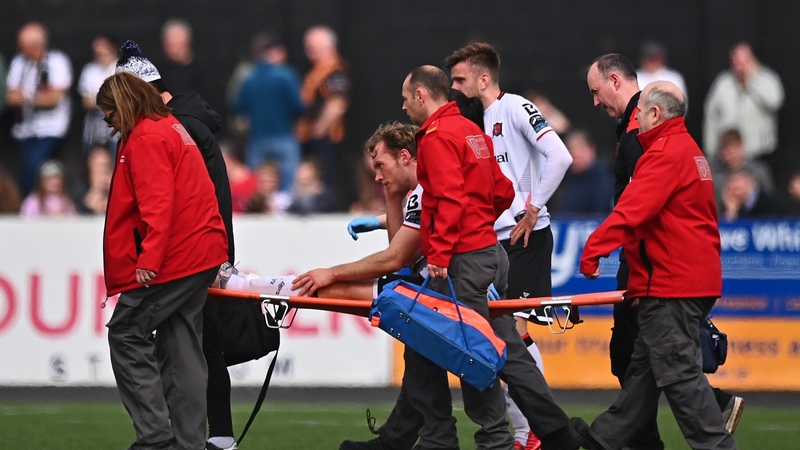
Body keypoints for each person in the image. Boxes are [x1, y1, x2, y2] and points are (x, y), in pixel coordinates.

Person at [586, 54, 743, 448]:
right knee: (642, 373)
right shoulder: (688, 149)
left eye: (640, 115)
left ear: (655, 113)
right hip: (685, 279)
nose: (635, 122)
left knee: (678, 377)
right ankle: (600, 440)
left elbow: (632, 211)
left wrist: (593, 250)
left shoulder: (664, 154)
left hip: (672, 284)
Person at [445, 42, 574, 450]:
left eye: (460, 79)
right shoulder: (476, 120)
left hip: (524, 237)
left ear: (484, 78)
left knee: (509, 338)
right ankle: (529, 430)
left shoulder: (515, 107)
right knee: (502, 339)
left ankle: (531, 431)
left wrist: (534, 208)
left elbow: (560, 156)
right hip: (493, 244)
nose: (454, 86)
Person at [114, 41, 238, 450]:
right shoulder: (182, 126)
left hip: (176, 256)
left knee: (131, 332)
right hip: (204, 249)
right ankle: (199, 441)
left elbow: (164, 205)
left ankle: (159, 438)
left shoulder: (153, 133)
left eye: (113, 109)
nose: (111, 122)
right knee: (188, 346)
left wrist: (147, 258)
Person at [5, 22, 72, 196]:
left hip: (51, 128)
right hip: (25, 129)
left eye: (24, 46)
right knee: (27, 166)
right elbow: (11, 96)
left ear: (37, 45)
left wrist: (26, 97)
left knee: (36, 167)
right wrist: (37, 98)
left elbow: (54, 98)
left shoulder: (57, 61)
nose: (21, 49)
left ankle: (27, 203)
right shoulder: (19, 62)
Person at [232, 33, 304, 191]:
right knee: (288, 182)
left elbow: (237, 107)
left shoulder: (248, 78)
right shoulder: (286, 75)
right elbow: (298, 106)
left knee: (255, 184)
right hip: (284, 135)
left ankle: (257, 208)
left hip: (257, 138)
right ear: (274, 52)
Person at [703, 42, 784, 161]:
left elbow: (774, 103)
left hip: (759, 152)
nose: (739, 65)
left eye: (744, 60)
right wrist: (710, 149)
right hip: (727, 154)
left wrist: (752, 81)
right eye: (736, 60)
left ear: (753, 60)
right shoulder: (723, 82)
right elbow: (711, 116)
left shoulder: (767, 79)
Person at [297, 25, 350, 195]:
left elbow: (338, 103)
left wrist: (320, 128)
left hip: (327, 136)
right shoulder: (315, 72)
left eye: (313, 48)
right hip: (309, 136)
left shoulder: (335, 72)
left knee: (326, 175)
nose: (309, 53)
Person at [555, 130, 613, 215]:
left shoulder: (602, 177)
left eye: (580, 149)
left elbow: (601, 212)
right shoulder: (566, 176)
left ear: (592, 149)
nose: (576, 154)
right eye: (571, 151)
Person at [78, 35, 119, 151]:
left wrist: (97, 99)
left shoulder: (123, 69)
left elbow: (124, 101)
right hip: (93, 132)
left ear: (112, 48)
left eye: (102, 46)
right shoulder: (89, 70)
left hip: (117, 132)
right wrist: (109, 100)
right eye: (96, 47)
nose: (98, 50)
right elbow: (85, 102)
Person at [159, 19, 202, 95]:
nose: (175, 51)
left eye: (179, 45)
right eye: (171, 45)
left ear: (188, 45)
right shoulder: (158, 73)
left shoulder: (200, 73)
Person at [72, 145, 112, 215]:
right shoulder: (80, 187)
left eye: (105, 165)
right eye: (99, 165)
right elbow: (82, 208)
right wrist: (97, 189)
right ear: (90, 166)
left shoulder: (115, 186)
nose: (103, 170)